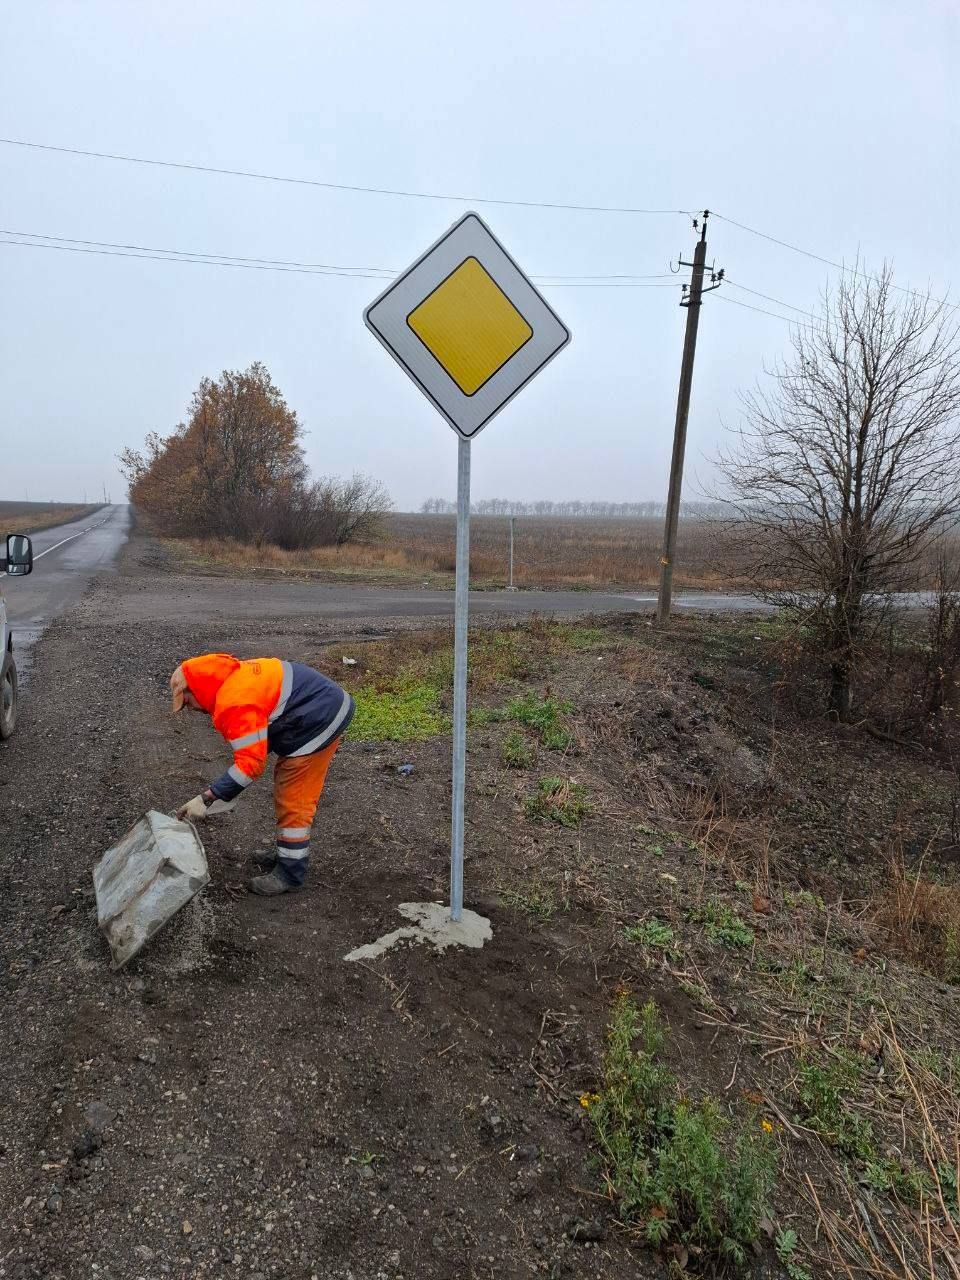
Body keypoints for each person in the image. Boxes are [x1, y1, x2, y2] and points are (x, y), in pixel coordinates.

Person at [170, 653, 354, 896]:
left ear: (197, 690)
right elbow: (259, 739)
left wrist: (207, 798)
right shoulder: (233, 679)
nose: (191, 710)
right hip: (315, 708)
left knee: (294, 795)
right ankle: (286, 852)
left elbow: (251, 766)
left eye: (188, 702)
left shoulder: (233, 701)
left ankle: (290, 873)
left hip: (319, 718)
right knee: (285, 784)